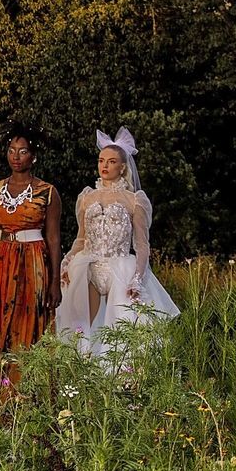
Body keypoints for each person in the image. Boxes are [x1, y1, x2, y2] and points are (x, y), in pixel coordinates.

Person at [55, 128, 180, 353]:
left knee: (123, 330)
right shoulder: (87, 198)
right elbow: (81, 239)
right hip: (88, 266)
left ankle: (124, 379)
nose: (104, 166)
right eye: (101, 160)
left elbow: (142, 245)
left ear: (122, 167)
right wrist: (67, 260)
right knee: (82, 327)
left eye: (111, 161)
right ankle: (80, 376)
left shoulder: (134, 201)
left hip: (120, 267)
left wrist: (137, 279)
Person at [0, 131, 61, 389]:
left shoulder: (47, 192)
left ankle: (26, 390)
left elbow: (54, 238)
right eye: (12, 150)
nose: (16, 156)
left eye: (23, 151)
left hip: (33, 262)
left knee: (30, 324)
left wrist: (55, 281)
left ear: (33, 156)